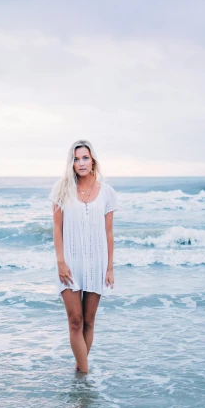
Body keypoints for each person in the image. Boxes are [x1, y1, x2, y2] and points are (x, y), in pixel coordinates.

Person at [49, 139, 118, 374]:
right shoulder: (61, 189)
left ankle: (79, 373)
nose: (81, 163)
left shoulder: (107, 192)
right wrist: (60, 261)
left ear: (93, 160)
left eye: (85, 158)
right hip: (70, 262)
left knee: (89, 321)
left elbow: (108, 232)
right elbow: (57, 229)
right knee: (75, 321)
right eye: (76, 159)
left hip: (96, 263)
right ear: (71, 163)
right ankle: (85, 378)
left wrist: (109, 267)